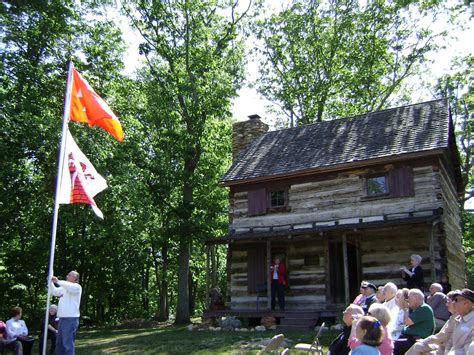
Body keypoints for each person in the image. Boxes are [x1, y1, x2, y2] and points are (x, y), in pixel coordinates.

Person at [405, 290, 458, 355]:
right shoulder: (452, 317)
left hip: (447, 347)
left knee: (423, 350)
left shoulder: (457, 318)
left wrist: (426, 341)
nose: (446, 305)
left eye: (448, 302)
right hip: (440, 345)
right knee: (418, 346)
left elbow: (443, 335)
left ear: (455, 303)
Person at [393, 288, 435, 355]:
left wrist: (405, 309)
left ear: (416, 298)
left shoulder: (424, 308)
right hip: (407, 336)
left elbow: (407, 321)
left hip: (415, 339)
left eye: (409, 298)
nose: (408, 300)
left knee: (394, 345)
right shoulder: (414, 309)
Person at [51, 270, 82, 355]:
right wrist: (50, 282)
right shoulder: (63, 288)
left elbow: (69, 286)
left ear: (75, 278)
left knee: (67, 345)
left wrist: (57, 281)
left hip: (70, 319)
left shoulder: (77, 287)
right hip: (62, 319)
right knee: (59, 345)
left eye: (69, 275)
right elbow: (54, 291)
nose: (67, 276)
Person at [444, 288, 474, 354]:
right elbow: (450, 342)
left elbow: (469, 349)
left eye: (456, 300)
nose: (453, 302)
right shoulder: (458, 319)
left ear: (466, 303)